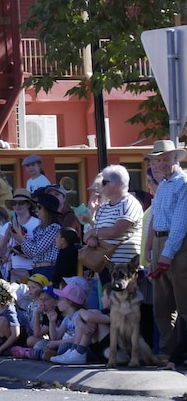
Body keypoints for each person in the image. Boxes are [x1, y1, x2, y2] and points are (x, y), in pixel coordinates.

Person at [143, 140, 187, 356]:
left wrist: (166, 254)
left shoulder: (183, 183)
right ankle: (167, 352)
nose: (159, 164)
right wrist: (149, 249)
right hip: (161, 242)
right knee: (162, 303)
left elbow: (180, 223)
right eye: (157, 159)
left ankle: (182, 352)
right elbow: (154, 218)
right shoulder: (162, 186)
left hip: (178, 245)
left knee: (184, 301)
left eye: (164, 159)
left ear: (175, 159)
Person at [84, 164, 143, 287]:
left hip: (125, 270)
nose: (101, 185)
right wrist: (91, 239)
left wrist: (93, 233)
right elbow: (93, 232)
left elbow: (116, 231)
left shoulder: (129, 203)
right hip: (104, 265)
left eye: (104, 182)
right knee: (108, 303)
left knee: (125, 304)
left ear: (115, 184)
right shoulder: (103, 207)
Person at [17, 192, 62, 281]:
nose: (36, 210)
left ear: (47, 210)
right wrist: (19, 239)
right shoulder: (38, 229)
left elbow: (36, 250)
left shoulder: (54, 228)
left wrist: (20, 235)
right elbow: (30, 255)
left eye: (39, 207)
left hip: (48, 269)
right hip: (36, 269)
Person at [2, 188, 40, 283]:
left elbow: (39, 251)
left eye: (21, 203)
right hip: (14, 270)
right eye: (14, 203)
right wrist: (7, 235)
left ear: (28, 204)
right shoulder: (8, 225)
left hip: (34, 269)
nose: (17, 205)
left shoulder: (38, 223)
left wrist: (19, 241)